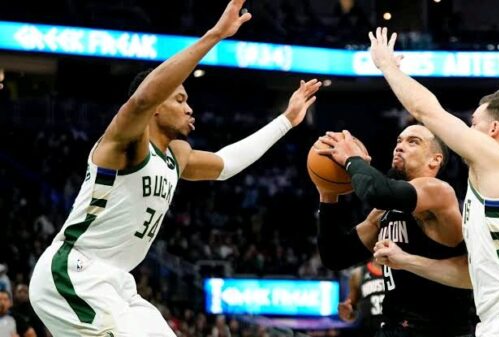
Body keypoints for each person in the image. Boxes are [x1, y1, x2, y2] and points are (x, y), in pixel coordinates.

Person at [28, 1, 322, 336]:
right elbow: (141, 100)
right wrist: (214, 36)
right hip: (72, 272)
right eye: (179, 100)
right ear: (156, 108)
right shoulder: (127, 145)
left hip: (117, 281)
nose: (190, 108)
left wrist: (287, 120)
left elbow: (226, 164)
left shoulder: (176, 155)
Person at [368, 27, 499, 336]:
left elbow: (426, 111)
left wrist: (387, 67)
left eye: (473, 123)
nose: (468, 130)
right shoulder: (495, 183)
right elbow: (470, 275)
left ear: (494, 130)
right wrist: (407, 261)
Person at [316, 124, 474, 337]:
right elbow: (335, 255)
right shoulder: (383, 212)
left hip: (439, 330)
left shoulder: (439, 193)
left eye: (413, 142)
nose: (399, 147)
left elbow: (377, 191)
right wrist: (328, 195)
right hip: (393, 327)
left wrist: (353, 159)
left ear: (435, 160)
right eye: (399, 141)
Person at [338, 261, 385, 337]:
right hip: (370, 331)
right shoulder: (358, 273)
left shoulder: (401, 269)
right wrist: (347, 313)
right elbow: (352, 310)